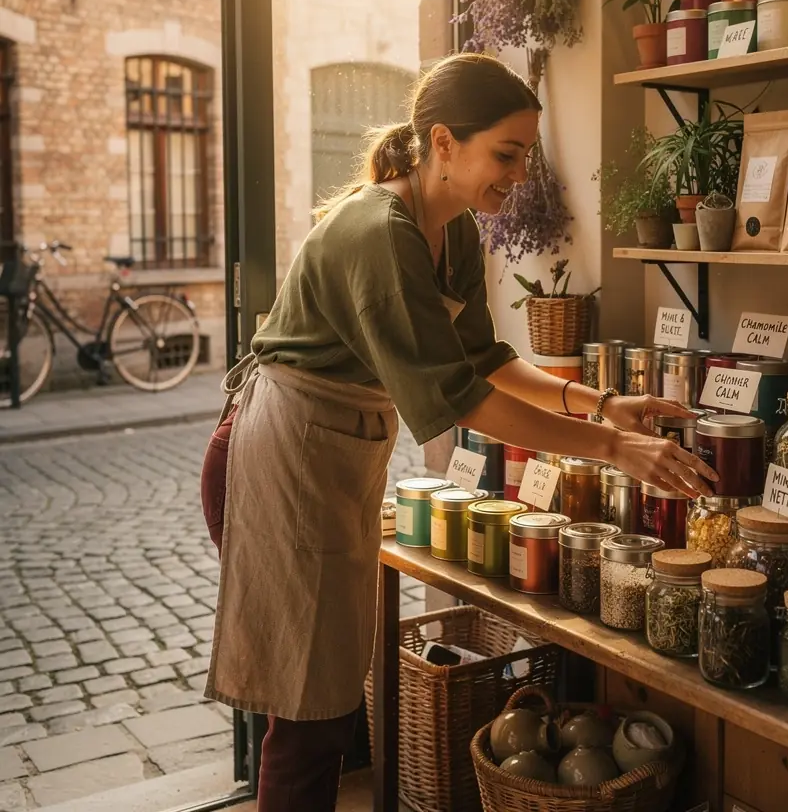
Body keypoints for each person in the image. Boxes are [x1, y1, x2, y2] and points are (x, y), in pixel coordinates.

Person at [200, 52, 717, 811]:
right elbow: (463, 400)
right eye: (506, 154)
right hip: (282, 456)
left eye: (525, 156)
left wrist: (604, 405)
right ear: (443, 142)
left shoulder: (457, 230)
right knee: (308, 714)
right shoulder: (381, 230)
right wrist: (615, 450)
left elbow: (486, 359)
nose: (520, 175)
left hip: (327, 457)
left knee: (324, 700)